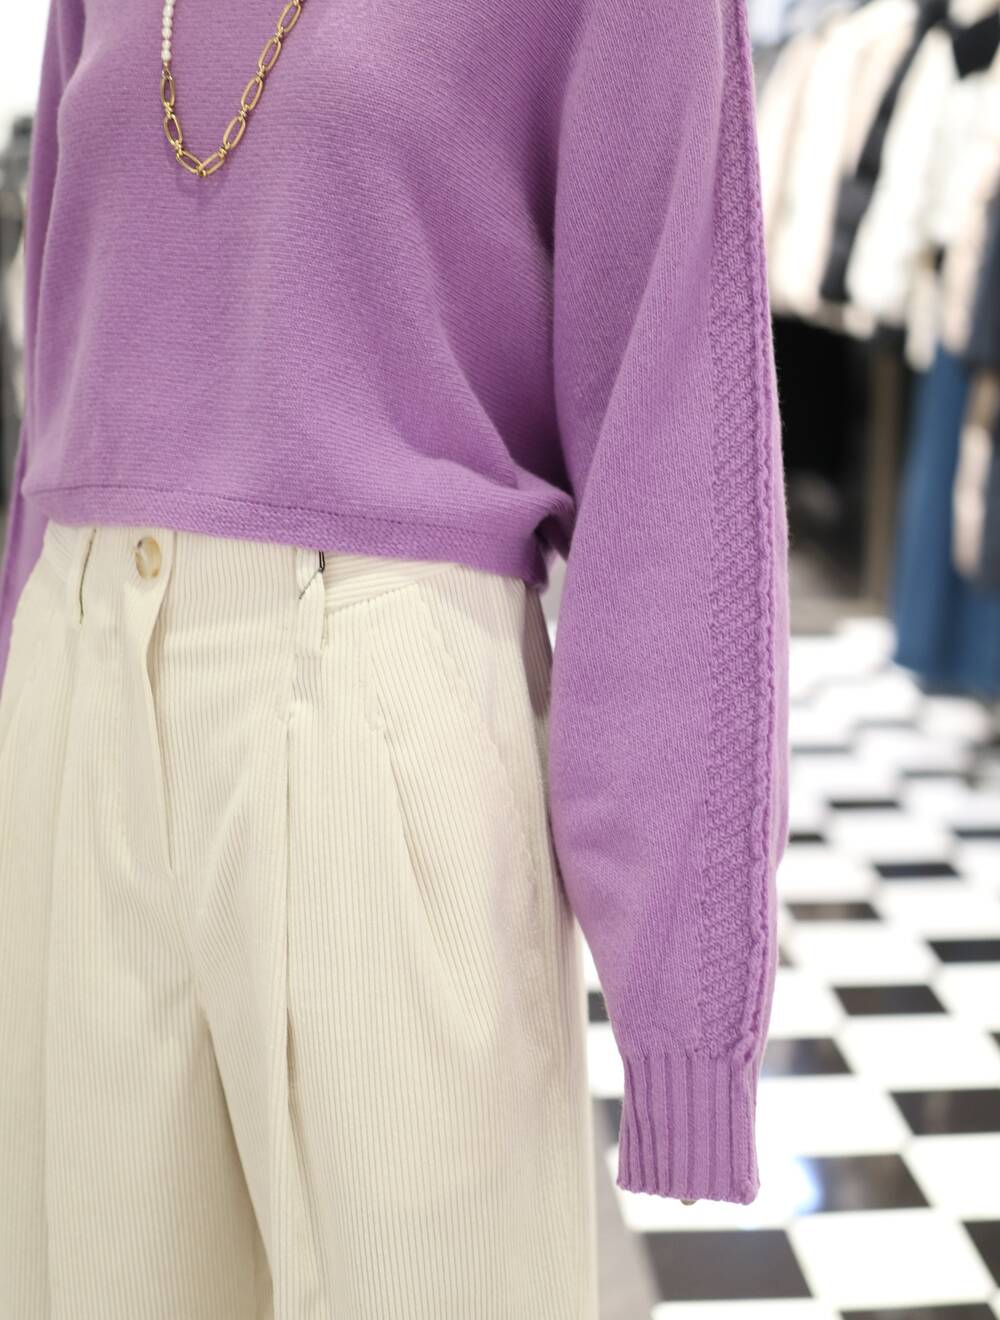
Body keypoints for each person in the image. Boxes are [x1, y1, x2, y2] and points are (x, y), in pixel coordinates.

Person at [0, 0, 791, 1315]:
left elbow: (673, 428)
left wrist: (687, 1004)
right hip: (75, 698)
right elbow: (63, 371)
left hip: (382, 694)